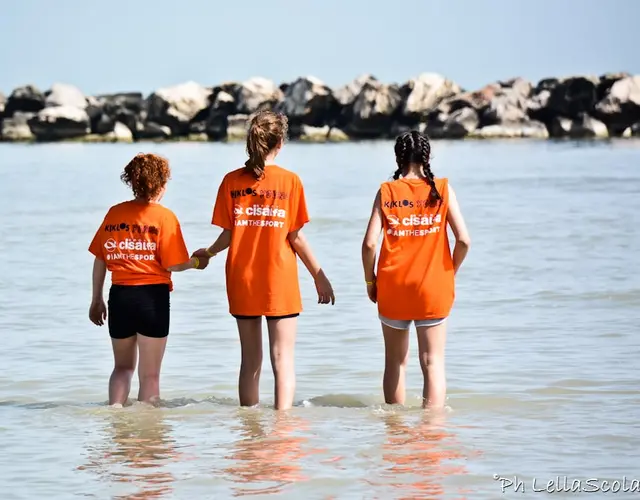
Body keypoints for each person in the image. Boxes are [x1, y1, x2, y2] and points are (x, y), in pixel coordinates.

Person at [193, 110, 335, 411]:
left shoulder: (231, 181)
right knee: (282, 360)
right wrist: (318, 275)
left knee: (250, 361)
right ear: (279, 143)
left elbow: (228, 235)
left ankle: (250, 430)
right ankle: (282, 429)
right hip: (278, 280)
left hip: (242, 278)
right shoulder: (290, 182)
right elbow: (295, 237)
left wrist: (207, 253)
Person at [88, 153, 209, 406]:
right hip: (151, 298)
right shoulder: (164, 217)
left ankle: (115, 417)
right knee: (150, 375)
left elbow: (100, 258)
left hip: (119, 296)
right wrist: (198, 262)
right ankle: (148, 436)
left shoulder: (114, 213)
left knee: (121, 368)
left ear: (132, 182)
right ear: (161, 184)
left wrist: (96, 299)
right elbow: (174, 264)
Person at [361, 131, 471, 409]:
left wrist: (370, 283)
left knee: (395, 362)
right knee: (432, 362)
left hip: (393, 286)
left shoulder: (387, 191)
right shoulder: (443, 189)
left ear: (398, 157)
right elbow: (464, 241)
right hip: (433, 287)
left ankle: (396, 431)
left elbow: (369, 244)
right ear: (427, 157)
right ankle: (431, 433)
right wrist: (449, 270)